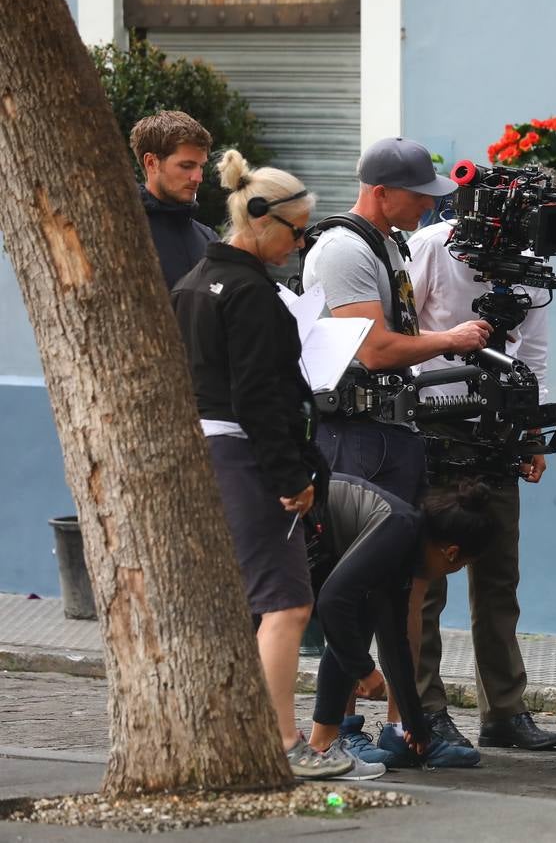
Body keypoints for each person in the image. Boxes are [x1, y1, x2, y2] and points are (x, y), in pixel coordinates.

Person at [302, 137, 494, 760]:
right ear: (381, 192)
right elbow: (375, 348)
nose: (427, 207)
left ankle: (402, 726)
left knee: (407, 585)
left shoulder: (391, 243)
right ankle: (339, 731)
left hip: (395, 431)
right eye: (418, 195)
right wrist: (452, 339)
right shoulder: (341, 249)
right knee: (353, 586)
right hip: (354, 435)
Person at [171, 150, 351, 780]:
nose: (301, 243)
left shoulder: (195, 281)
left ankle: (246, 736)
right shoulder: (250, 291)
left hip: (207, 449)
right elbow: (258, 396)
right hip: (243, 451)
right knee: (286, 603)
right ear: (257, 218)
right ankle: (284, 743)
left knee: (249, 603)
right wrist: (291, 477)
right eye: (296, 230)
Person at [403, 220, 556, 751]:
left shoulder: (526, 263)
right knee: (428, 574)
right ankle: (426, 710)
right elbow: (401, 332)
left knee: (499, 575)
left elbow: (534, 354)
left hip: (498, 427)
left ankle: (504, 710)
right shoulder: (431, 246)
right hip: (434, 420)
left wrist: (533, 431)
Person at [306, 475, 497, 775]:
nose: (452, 572)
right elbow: (333, 602)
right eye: (458, 567)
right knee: (345, 616)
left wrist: (414, 722)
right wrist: (364, 670)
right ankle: (322, 745)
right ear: (451, 552)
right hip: (289, 518)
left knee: (364, 613)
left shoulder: (408, 546)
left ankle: (321, 745)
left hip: (308, 530)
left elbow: (396, 640)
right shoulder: (399, 530)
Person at [130, 110, 217, 289]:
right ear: (151, 163)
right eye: (186, 166)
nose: (198, 178)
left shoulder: (209, 239)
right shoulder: (126, 233)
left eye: (201, 167)